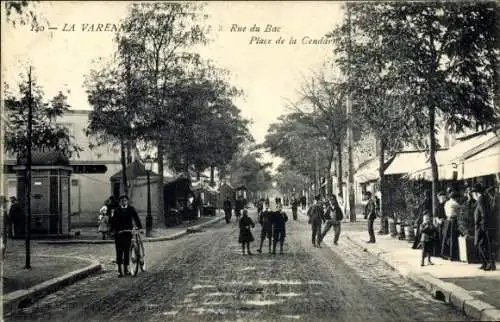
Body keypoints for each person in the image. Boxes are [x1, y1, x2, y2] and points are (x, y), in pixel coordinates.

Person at [109, 194, 143, 277]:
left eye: (125, 200)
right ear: (120, 202)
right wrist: (111, 231)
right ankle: (119, 270)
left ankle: (126, 269)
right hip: (119, 233)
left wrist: (140, 227)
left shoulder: (131, 209)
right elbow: (113, 221)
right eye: (122, 201)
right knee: (119, 251)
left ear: (127, 201)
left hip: (128, 232)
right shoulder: (117, 210)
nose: (123, 202)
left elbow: (136, 218)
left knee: (127, 251)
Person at [472, 184, 495, 271]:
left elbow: (483, 213)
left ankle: (488, 263)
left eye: (473, 193)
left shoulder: (480, 199)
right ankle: (486, 263)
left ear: (476, 193)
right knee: (484, 244)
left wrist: (483, 225)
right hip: (483, 225)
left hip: (482, 226)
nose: (472, 195)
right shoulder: (482, 198)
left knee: (480, 244)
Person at [442, 190, 460, 261]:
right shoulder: (455, 203)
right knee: (453, 237)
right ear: (455, 197)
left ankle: (444, 253)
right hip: (453, 220)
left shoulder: (446, 203)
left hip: (447, 220)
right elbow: (459, 211)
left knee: (446, 237)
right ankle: (453, 256)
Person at [433, 191, 447, 257]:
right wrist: (439, 221)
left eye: (444, 197)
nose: (443, 199)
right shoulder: (437, 206)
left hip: (446, 222)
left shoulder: (447, 204)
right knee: (440, 237)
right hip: (440, 224)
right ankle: (440, 253)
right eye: (442, 197)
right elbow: (435, 216)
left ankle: (445, 252)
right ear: (439, 198)